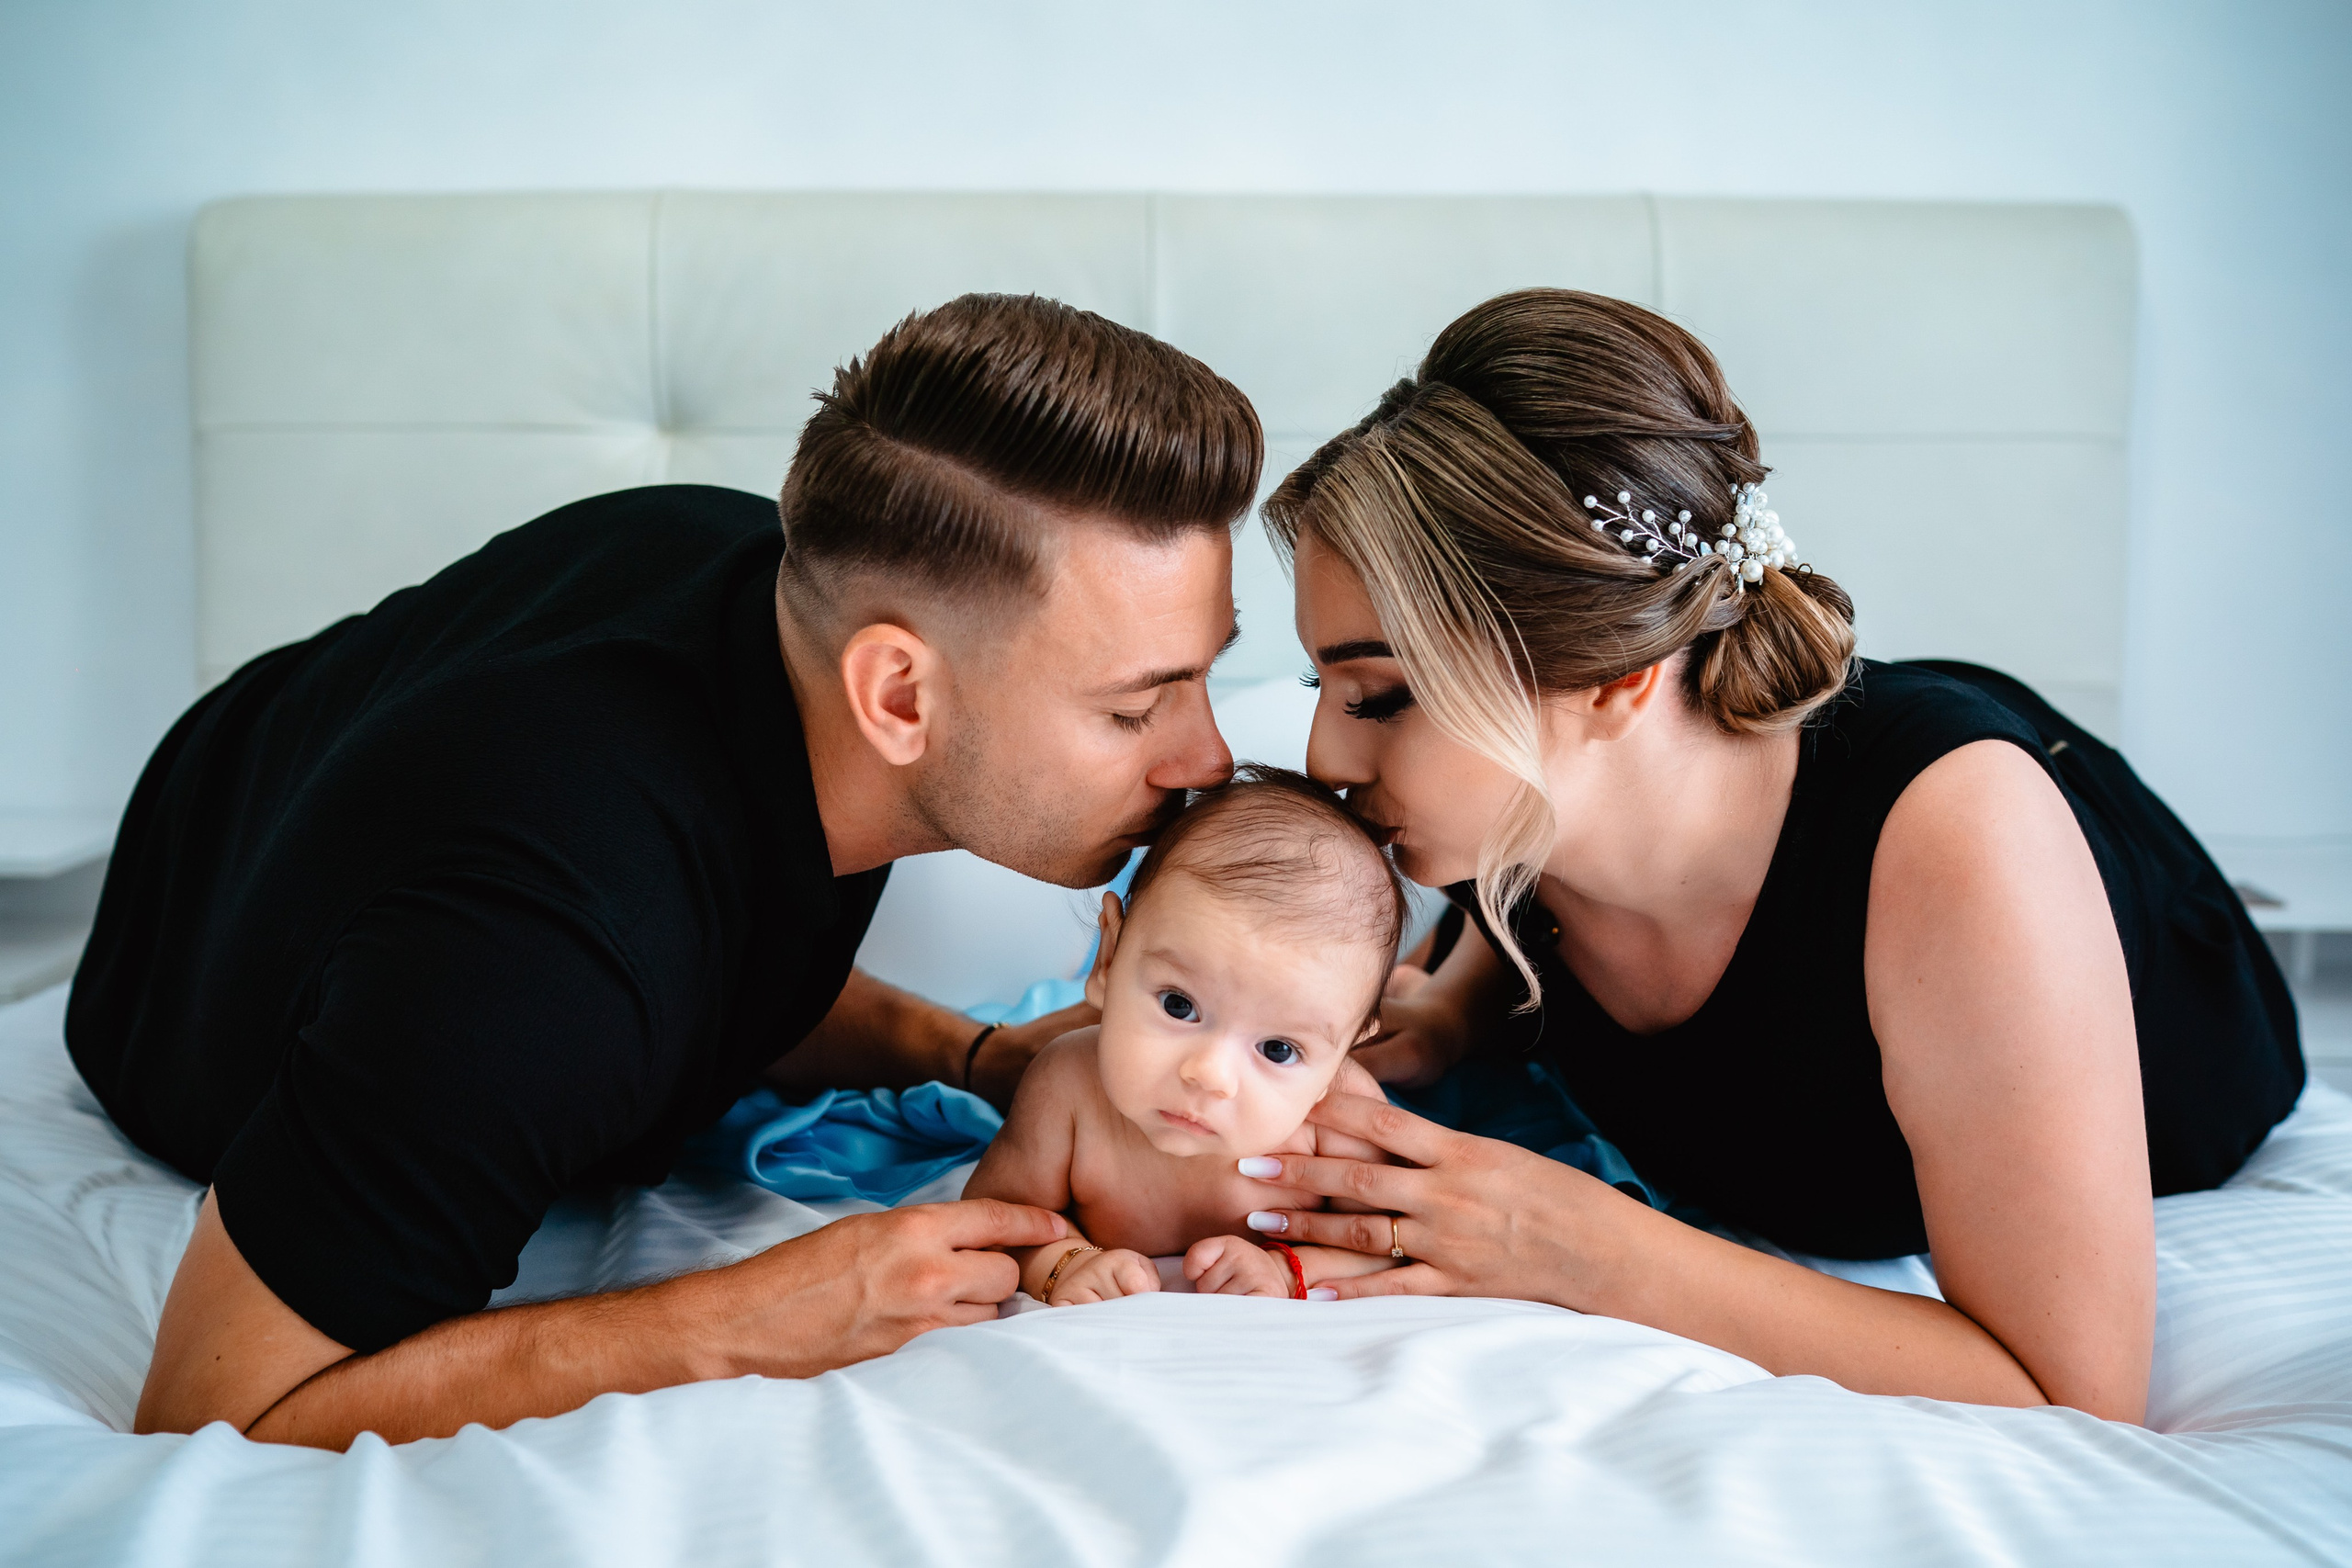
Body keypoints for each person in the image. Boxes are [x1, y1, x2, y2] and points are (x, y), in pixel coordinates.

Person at [68, 293, 1261, 1450]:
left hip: (315, 764)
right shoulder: (541, 964)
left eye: (1205, 674)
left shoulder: (760, 567)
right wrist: (758, 1312)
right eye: (1133, 707)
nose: (1206, 754)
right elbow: (215, 1404)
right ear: (897, 694)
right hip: (176, 980)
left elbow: (716, 937)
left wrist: (972, 1054)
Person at [1237, 288, 2303, 1423]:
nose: (1322, 754)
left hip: (2092, 929)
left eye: (1380, 695)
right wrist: (1451, 1008)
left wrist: (1590, 1249)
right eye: (1323, 686)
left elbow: (2072, 1390)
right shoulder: (1518, 814)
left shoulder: (1959, 846)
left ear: (1613, 676)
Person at [965, 766, 1405, 1304]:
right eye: (1179, 1006)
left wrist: (1289, 1271)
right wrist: (1062, 1263)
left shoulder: (1344, 1120)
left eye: (1278, 1050)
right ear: (1108, 959)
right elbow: (994, 1222)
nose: (1209, 1074)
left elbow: (1389, 1245)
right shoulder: (1068, 1087)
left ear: (1345, 1051)